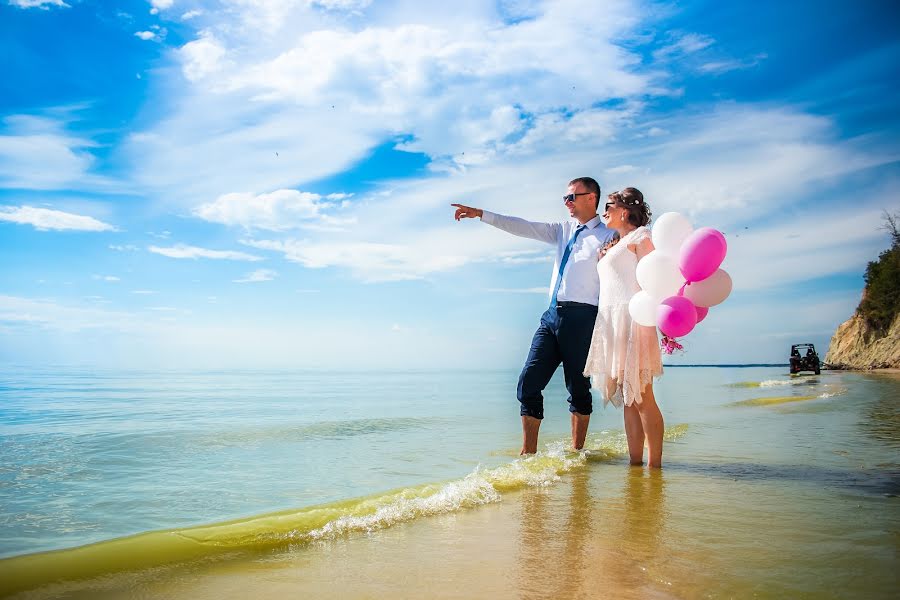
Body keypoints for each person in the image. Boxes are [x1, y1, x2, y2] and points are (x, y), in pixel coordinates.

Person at [452, 177, 617, 454]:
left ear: (592, 198)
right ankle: (528, 456)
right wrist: (482, 214)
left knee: (578, 388)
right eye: (565, 197)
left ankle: (577, 454)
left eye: (572, 197)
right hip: (551, 317)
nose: (567, 203)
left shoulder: (609, 236)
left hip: (583, 317)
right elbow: (523, 226)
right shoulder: (563, 230)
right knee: (527, 384)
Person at [583, 188, 665, 468]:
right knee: (628, 398)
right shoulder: (617, 242)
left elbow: (655, 279)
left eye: (609, 205)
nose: (603, 211)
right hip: (611, 322)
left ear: (625, 210)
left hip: (634, 319)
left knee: (642, 395)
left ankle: (655, 468)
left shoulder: (642, 237)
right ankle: (635, 465)